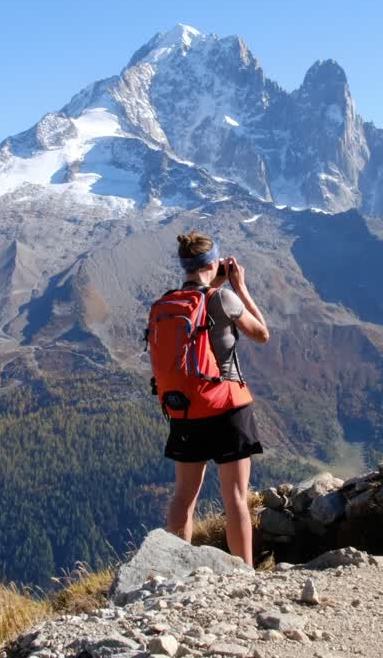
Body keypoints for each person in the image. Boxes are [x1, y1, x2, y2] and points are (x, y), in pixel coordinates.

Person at [162, 230, 269, 566]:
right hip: (227, 408)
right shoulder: (223, 299)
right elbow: (262, 334)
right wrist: (240, 287)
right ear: (213, 262)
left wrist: (216, 285)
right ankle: (245, 573)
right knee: (235, 496)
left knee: (183, 496)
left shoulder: (169, 302)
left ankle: (174, 571)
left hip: (186, 410)